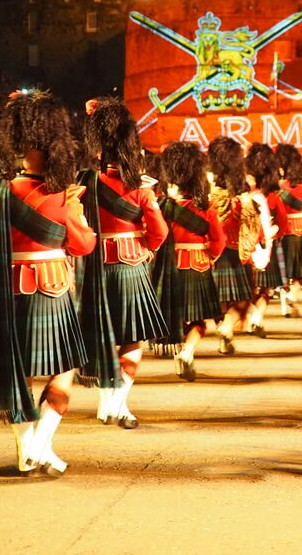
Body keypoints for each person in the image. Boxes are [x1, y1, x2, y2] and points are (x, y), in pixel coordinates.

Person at [0, 90, 96, 475]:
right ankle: (41, 443)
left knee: (16, 374)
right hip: (51, 289)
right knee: (65, 371)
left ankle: (28, 449)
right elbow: (83, 244)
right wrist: (75, 210)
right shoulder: (63, 196)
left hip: (5, 290)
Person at [77, 97, 169, 429]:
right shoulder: (141, 189)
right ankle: (118, 404)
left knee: (103, 336)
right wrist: (145, 247)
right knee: (132, 340)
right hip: (131, 266)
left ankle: (106, 405)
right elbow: (159, 232)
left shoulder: (84, 182)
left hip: (95, 267)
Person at [153, 142, 226, 381]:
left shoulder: (163, 207)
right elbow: (218, 241)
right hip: (198, 265)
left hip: (172, 267)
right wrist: (210, 255)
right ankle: (186, 353)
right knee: (198, 321)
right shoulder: (206, 209)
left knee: (178, 317)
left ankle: (181, 357)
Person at [208, 136, 261, 353]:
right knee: (242, 301)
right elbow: (251, 224)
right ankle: (227, 327)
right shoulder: (242, 191)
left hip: (213, 252)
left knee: (219, 301)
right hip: (236, 249)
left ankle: (224, 333)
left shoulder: (209, 190)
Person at [246, 143, 285, 337]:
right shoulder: (273, 197)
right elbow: (282, 223)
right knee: (266, 289)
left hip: (245, 246)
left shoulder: (243, 195)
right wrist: (273, 233)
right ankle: (257, 318)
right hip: (266, 245)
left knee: (251, 288)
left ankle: (253, 316)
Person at [276, 143, 302, 316]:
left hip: (283, 231)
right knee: (299, 272)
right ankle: (292, 296)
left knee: (285, 273)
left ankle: (285, 304)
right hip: (300, 230)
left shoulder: (279, 187)